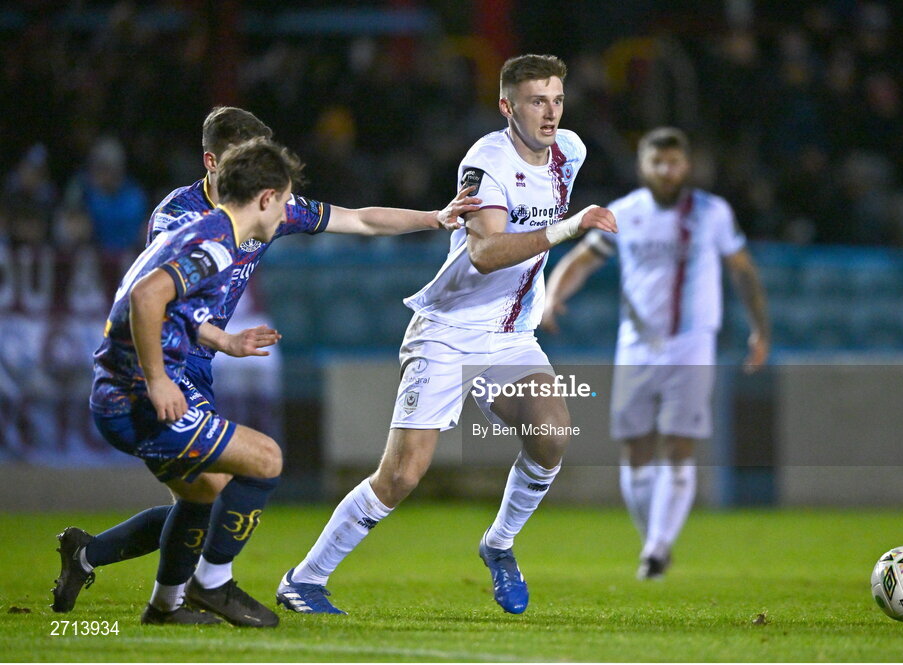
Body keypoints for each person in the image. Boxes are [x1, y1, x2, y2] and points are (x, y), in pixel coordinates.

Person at [50, 106, 480, 615]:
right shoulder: (188, 221)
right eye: (243, 158)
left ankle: (119, 572)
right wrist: (180, 364)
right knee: (224, 484)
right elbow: (157, 299)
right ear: (212, 161)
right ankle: (195, 589)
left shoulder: (264, 204)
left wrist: (435, 217)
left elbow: (359, 219)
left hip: (193, 363)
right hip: (166, 363)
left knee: (202, 497)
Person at [274, 54, 617, 616]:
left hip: (509, 333)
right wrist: (567, 228)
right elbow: (483, 253)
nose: (550, 112)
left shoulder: (570, 152)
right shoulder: (485, 163)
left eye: (557, 99)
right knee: (403, 474)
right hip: (449, 331)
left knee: (553, 431)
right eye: (536, 100)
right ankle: (304, 579)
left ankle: (499, 545)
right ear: (507, 106)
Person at [86, 137, 302, 626]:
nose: (286, 211)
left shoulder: (202, 230)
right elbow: (146, 297)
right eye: (285, 200)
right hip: (134, 399)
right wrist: (158, 380)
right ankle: (212, 583)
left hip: (117, 394)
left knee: (205, 489)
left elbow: (165, 305)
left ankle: (164, 607)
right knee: (266, 458)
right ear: (266, 198)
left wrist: (223, 342)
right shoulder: (216, 244)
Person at [541, 127, 770, 580]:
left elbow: (743, 270)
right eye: (658, 162)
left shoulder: (712, 212)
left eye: (675, 162)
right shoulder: (625, 213)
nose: (667, 171)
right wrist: (552, 294)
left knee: (679, 444)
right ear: (643, 166)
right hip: (637, 345)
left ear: (688, 165)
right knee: (636, 449)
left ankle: (657, 548)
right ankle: (654, 544)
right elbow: (583, 258)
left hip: (692, 343)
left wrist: (760, 329)